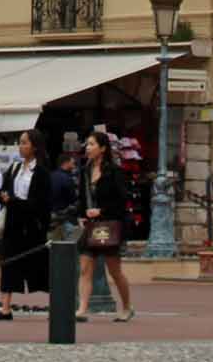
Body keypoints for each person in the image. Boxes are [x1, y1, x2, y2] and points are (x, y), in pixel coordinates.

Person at [73, 129, 134, 325]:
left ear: (103, 148)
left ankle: (126, 307)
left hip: (109, 225)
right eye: (87, 144)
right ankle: (82, 309)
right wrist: (82, 214)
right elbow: (82, 199)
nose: (87, 148)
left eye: (91, 144)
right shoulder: (85, 171)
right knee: (85, 268)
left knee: (114, 271)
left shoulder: (114, 171)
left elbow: (122, 199)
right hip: (91, 226)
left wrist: (101, 211)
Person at [0, 131, 52, 320]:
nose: (21, 146)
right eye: (20, 143)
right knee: (9, 265)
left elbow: (40, 203)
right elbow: (2, 189)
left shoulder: (41, 172)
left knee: (40, 267)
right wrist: (3, 195)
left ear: (34, 146)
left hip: (32, 227)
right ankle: (5, 308)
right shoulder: (15, 168)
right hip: (13, 225)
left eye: (24, 143)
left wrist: (14, 201)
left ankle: (57, 304)